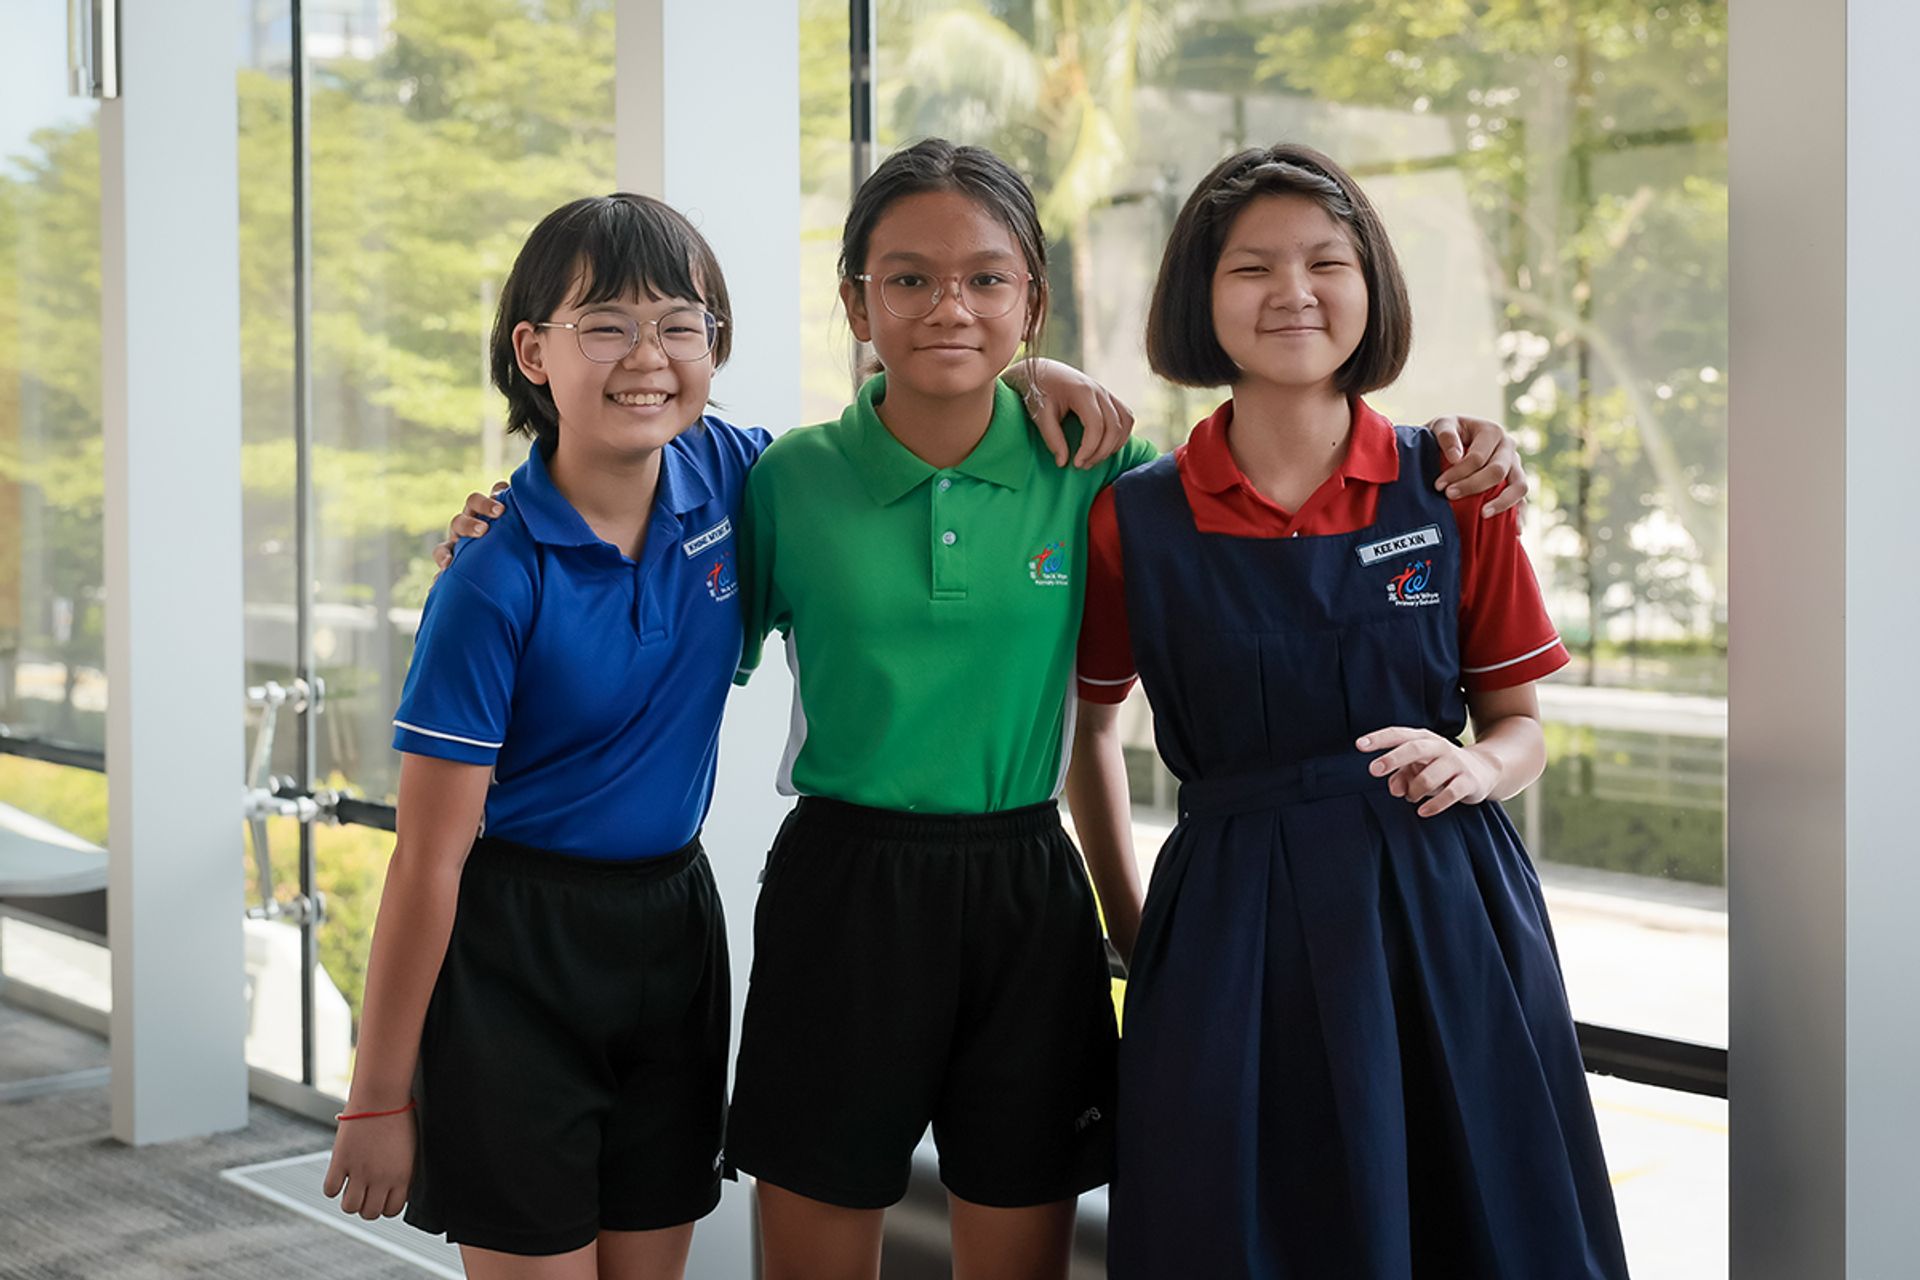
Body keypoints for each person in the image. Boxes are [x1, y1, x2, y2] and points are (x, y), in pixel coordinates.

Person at [435, 140, 1528, 1280]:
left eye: (987, 280)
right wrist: (496, 528)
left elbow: (1265, 490)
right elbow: (639, 527)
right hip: (842, 894)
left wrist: (1455, 449)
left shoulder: (1103, 470)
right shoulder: (782, 481)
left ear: (1032, 301)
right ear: (854, 300)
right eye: (907, 279)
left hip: (1027, 895)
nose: (947, 305)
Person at [1070, 143, 1631, 1279]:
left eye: (1328, 261)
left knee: (1478, 1212)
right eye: (1252, 267)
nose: (1293, 292)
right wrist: (1136, 928)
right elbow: (1086, 730)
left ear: (1371, 287)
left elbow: (1518, 723)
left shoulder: (1454, 485)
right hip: (1229, 920)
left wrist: (1479, 766)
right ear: (1200, 295)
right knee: (1236, 1220)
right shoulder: (1133, 516)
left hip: (1444, 910)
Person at [322, 193, 764, 1280]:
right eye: (606, 323)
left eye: (678, 322)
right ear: (534, 351)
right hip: (518, 953)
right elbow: (428, 857)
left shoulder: (741, 477)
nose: (647, 355)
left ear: (713, 345)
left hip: (674, 932)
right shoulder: (491, 575)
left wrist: (1042, 377)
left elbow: (902, 424)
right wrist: (379, 1094)